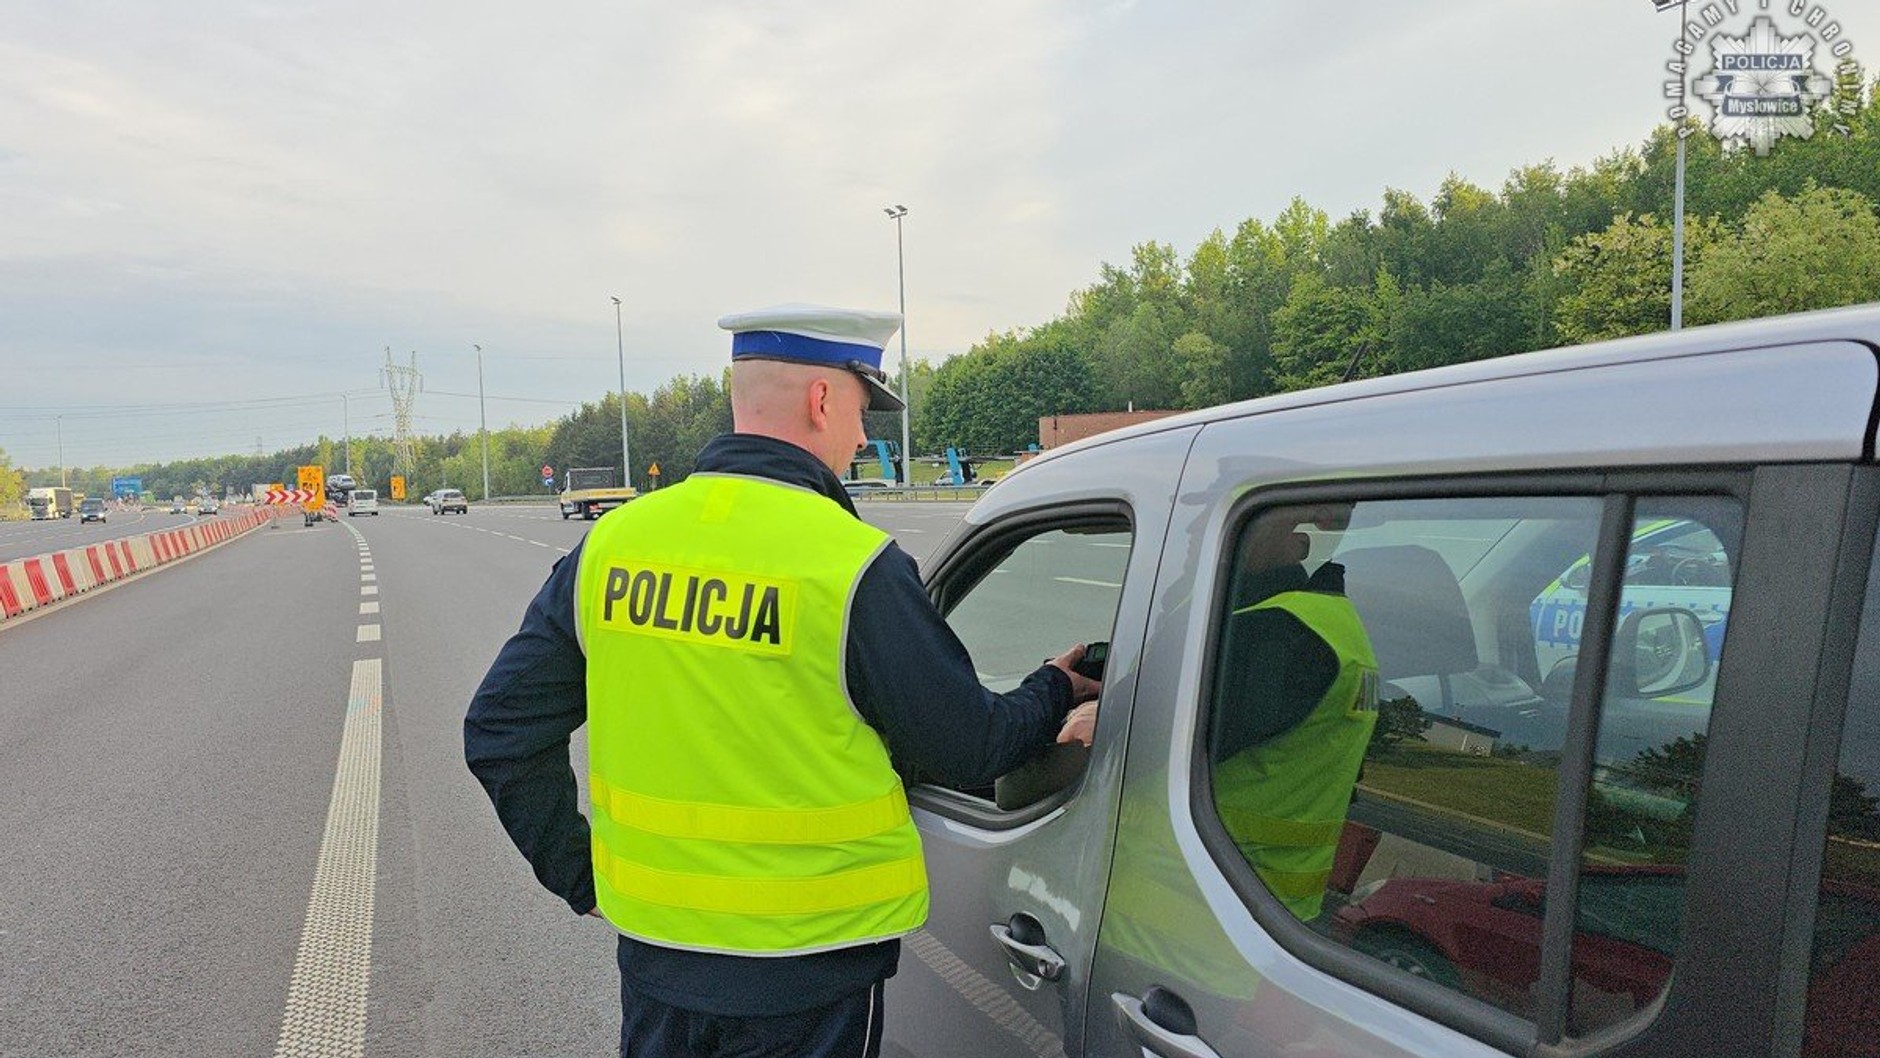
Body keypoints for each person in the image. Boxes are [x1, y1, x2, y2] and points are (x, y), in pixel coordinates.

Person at [464, 302, 1100, 1058]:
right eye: (863, 409)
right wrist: (1056, 690)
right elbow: (969, 746)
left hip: (659, 966)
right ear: (822, 399)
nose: (864, 436)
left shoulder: (612, 547)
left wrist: (586, 878)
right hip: (811, 978)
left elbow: (499, 732)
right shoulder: (848, 563)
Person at [1209, 504, 1379, 921]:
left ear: (1298, 540)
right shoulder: (1334, 623)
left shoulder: (1274, 636)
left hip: (1214, 902)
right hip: (1283, 912)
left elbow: (1145, 748)